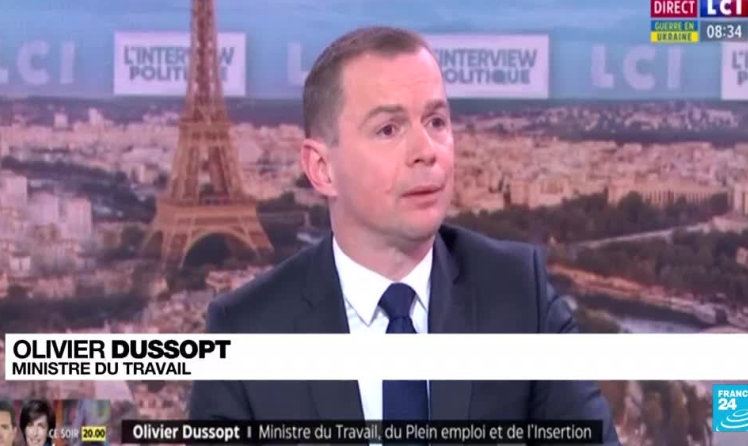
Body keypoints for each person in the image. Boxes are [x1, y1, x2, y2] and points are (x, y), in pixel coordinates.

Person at [189, 25, 619, 443]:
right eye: (388, 129)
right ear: (322, 169)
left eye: (436, 121)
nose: (426, 151)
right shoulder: (244, 330)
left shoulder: (519, 293)